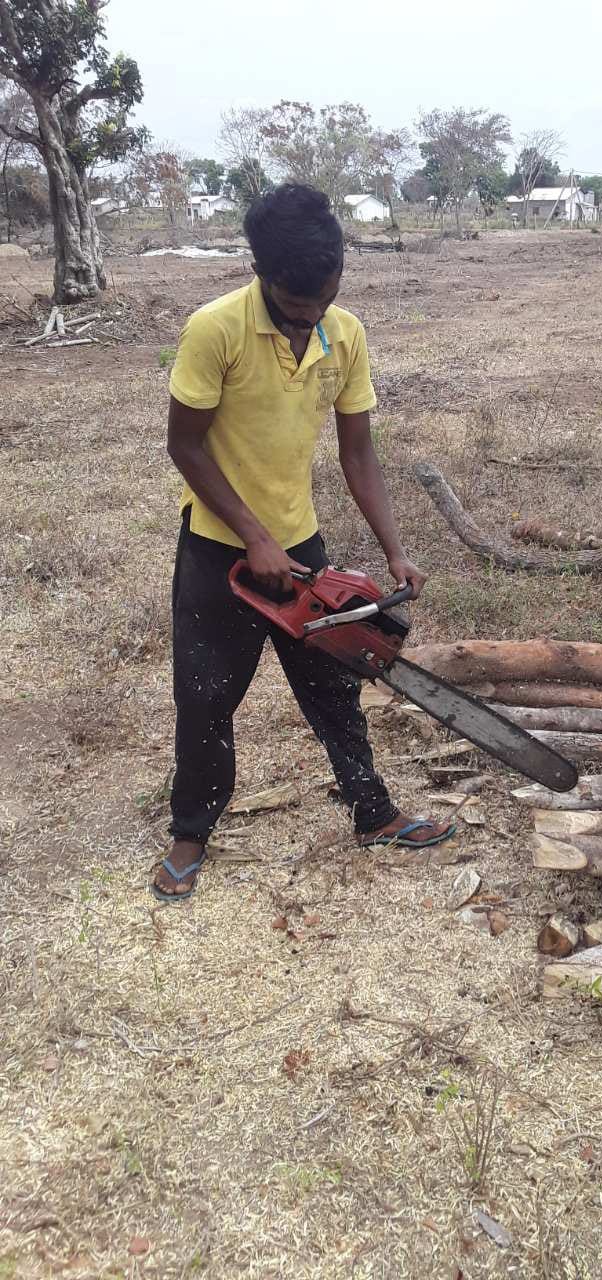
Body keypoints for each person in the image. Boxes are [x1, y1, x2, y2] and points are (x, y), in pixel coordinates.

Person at [152, 183, 454, 902]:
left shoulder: (343, 334)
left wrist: (394, 549)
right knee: (204, 698)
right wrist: (252, 536)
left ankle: (372, 813)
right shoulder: (214, 330)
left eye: (323, 300)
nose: (309, 319)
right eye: (295, 309)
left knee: (334, 687)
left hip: (301, 545)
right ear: (262, 275)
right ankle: (190, 831)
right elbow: (185, 446)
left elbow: (358, 455)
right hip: (219, 552)